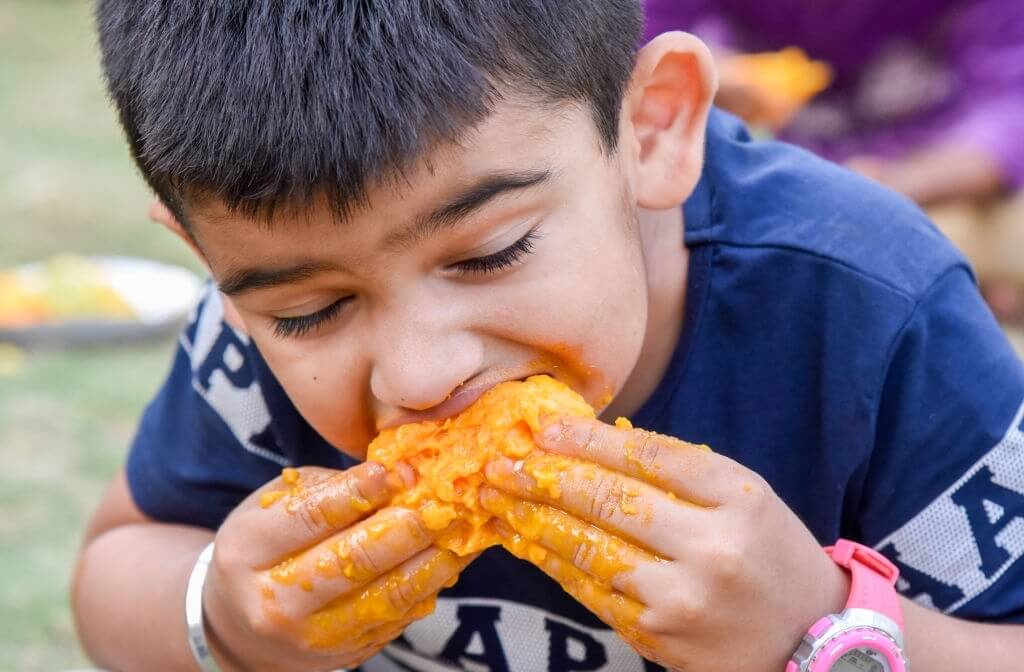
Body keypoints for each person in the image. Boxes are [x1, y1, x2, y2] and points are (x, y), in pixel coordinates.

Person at [73, 2, 1024, 671]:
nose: (422, 373)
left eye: (490, 254)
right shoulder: (250, 322)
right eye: (312, 315)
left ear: (653, 128)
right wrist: (227, 626)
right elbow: (120, 561)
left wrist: (819, 634)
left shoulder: (863, 306)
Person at [644, 0, 1024, 320]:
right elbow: (635, 50)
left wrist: (890, 186)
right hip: (765, 185)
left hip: (934, 187)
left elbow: (1009, 117)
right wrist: (699, 76)